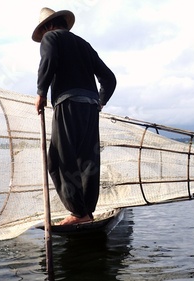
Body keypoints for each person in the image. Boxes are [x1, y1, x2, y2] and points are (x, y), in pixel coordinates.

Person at [32, 7, 116, 225]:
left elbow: (48, 60)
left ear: (48, 26)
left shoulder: (51, 37)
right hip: (89, 107)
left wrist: (41, 92)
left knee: (59, 159)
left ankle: (78, 213)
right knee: (87, 159)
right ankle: (87, 212)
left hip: (68, 104)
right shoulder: (84, 44)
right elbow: (109, 78)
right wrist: (100, 100)